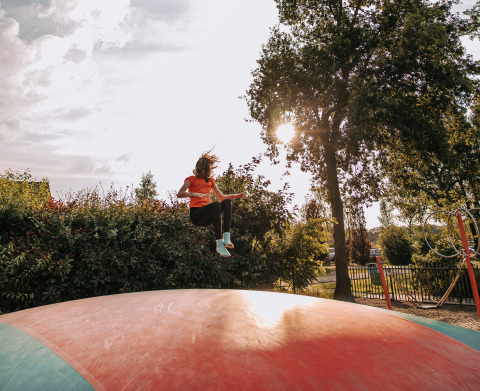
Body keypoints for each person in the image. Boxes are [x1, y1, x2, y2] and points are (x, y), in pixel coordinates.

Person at [177, 151, 245, 257]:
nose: (206, 172)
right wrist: (195, 194)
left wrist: (236, 195)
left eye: (208, 170)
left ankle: (226, 237)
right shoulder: (191, 179)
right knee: (216, 205)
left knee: (226, 202)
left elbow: (222, 197)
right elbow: (179, 194)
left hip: (207, 218)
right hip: (196, 215)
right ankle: (219, 244)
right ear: (200, 168)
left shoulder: (210, 181)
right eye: (205, 169)